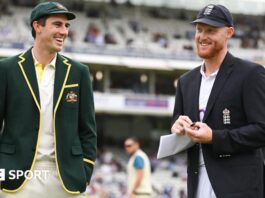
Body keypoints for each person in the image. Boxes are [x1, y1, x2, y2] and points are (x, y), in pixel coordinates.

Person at [0, 2, 97, 197]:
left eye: (66, 26)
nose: (64, 31)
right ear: (37, 26)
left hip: (65, 178)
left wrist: (85, 171)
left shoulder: (79, 72)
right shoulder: (7, 69)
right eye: (58, 24)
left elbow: (88, 130)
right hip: (16, 176)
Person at [171, 4, 265, 198]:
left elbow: (262, 130)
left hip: (238, 186)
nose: (202, 36)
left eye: (211, 31)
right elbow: (178, 132)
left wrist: (215, 137)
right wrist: (177, 130)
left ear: (229, 33)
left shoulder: (250, 74)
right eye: (199, 30)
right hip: (197, 184)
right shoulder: (186, 82)